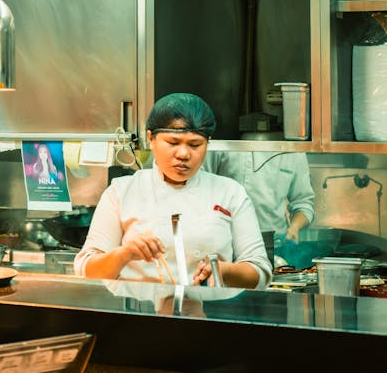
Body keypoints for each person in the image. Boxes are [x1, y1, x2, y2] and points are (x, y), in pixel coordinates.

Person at [73, 92, 272, 289]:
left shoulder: (230, 192)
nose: (184, 154)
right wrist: (124, 254)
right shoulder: (122, 192)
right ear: (150, 138)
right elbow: (85, 269)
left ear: (207, 143)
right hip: (140, 315)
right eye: (173, 143)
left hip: (209, 315)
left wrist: (223, 270)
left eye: (195, 145)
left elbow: (260, 272)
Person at [204, 150, 315, 243]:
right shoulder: (226, 145)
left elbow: (303, 202)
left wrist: (295, 227)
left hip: (275, 244)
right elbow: (202, 187)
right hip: (226, 241)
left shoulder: (293, 152)